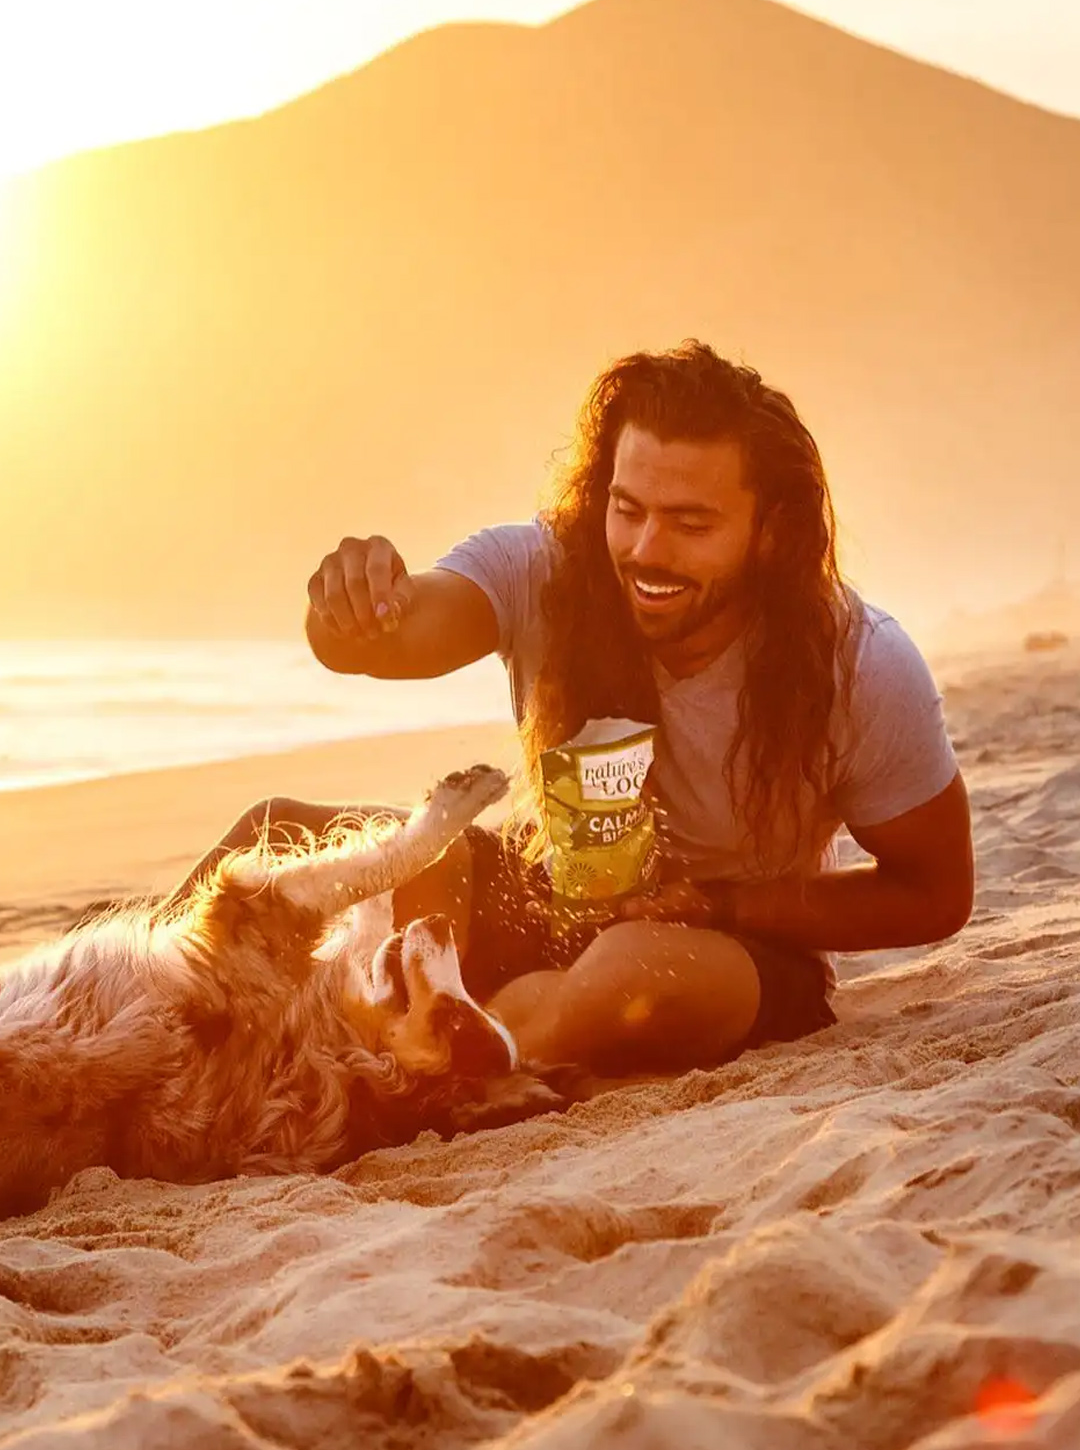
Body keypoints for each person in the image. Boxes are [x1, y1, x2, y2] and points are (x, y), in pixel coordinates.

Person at [177, 342, 973, 1075]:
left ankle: (427, 1069)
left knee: (631, 969)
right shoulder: (542, 567)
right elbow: (388, 638)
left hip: (729, 950)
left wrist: (725, 903)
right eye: (628, 509)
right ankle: (122, 1021)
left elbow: (935, 893)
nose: (646, 550)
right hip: (541, 899)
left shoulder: (859, 662)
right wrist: (353, 604)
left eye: (691, 523)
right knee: (276, 831)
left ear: (772, 533)